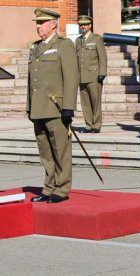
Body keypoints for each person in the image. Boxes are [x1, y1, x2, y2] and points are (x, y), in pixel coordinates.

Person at [27, 8, 79, 204]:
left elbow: (71, 77)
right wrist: (28, 107)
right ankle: (49, 187)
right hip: (38, 108)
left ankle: (62, 187)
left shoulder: (64, 45)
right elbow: (32, 81)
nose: (38, 26)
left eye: (41, 23)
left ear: (53, 24)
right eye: (37, 23)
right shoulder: (35, 47)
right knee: (45, 152)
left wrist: (68, 107)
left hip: (55, 107)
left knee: (60, 150)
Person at [75, 15, 107, 134]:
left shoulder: (96, 39)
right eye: (81, 25)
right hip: (81, 76)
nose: (82, 27)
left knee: (95, 101)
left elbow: (102, 57)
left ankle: (96, 125)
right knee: (85, 103)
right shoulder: (78, 40)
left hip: (94, 76)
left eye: (85, 24)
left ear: (90, 25)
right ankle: (88, 125)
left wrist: (102, 73)